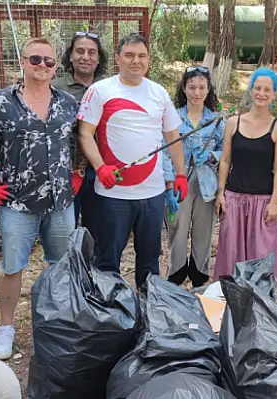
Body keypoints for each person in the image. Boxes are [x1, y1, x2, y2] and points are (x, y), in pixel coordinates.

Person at [0, 37, 79, 360]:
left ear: (56, 66)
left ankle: (56, 322)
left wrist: (79, 173)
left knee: (60, 266)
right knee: (12, 267)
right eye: (36, 60)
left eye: (49, 62)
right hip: (18, 204)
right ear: (23, 61)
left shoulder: (68, 102)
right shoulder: (0, 103)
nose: (42, 66)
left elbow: (83, 138)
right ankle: (6, 327)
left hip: (60, 203)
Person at [77, 33, 187, 288]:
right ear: (117, 58)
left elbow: (173, 136)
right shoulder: (100, 91)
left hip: (152, 193)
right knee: (107, 260)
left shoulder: (158, 93)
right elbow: (85, 133)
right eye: (129, 55)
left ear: (148, 59)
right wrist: (100, 167)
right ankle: (111, 316)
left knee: (149, 260)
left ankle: (150, 311)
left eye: (141, 56)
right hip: (112, 194)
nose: (136, 61)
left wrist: (180, 174)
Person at [213, 67, 277, 284]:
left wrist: (274, 202)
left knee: (262, 253)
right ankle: (229, 298)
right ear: (251, 90)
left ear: (274, 94)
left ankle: (263, 301)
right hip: (234, 198)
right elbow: (225, 160)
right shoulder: (233, 123)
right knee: (231, 252)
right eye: (257, 88)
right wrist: (221, 193)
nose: (261, 94)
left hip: (262, 202)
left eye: (267, 90)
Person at [162, 65, 224, 288]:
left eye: (201, 87)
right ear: (184, 89)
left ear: (208, 90)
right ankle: (176, 277)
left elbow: (227, 154)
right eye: (192, 87)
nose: (196, 92)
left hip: (207, 185)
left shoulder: (217, 120)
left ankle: (199, 278)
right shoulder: (173, 119)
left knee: (203, 232)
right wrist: (169, 184)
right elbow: (165, 151)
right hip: (180, 184)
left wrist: (211, 155)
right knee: (177, 230)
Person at [52, 31, 108, 241]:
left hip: (100, 170)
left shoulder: (108, 87)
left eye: (92, 52)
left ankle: (94, 272)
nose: (86, 57)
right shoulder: (55, 88)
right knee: (64, 234)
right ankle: (68, 272)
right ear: (71, 56)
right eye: (80, 51)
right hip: (66, 172)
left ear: (98, 58)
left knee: (98, 232)